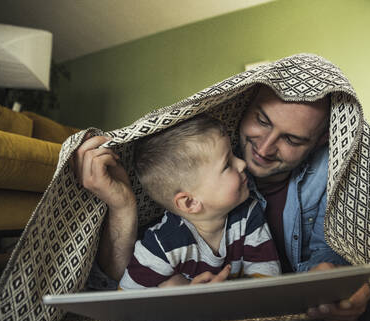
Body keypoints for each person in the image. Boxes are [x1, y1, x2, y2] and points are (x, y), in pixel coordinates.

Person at [74, 86, 370, 321]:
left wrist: (340, 290)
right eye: (263, 121)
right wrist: (171, 295)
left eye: (292, 139)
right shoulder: (195, 169)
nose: (263, 149)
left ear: (321, 141)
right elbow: (121, 299)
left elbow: (286, 276)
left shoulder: (257, 207)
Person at [116, 114, 280, 289]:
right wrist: (181, 299)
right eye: (227, 165)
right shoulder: (161, 245)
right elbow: (126, 301)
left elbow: (267, 282)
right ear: (190, 203)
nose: (241, 164)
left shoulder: (248, 214)